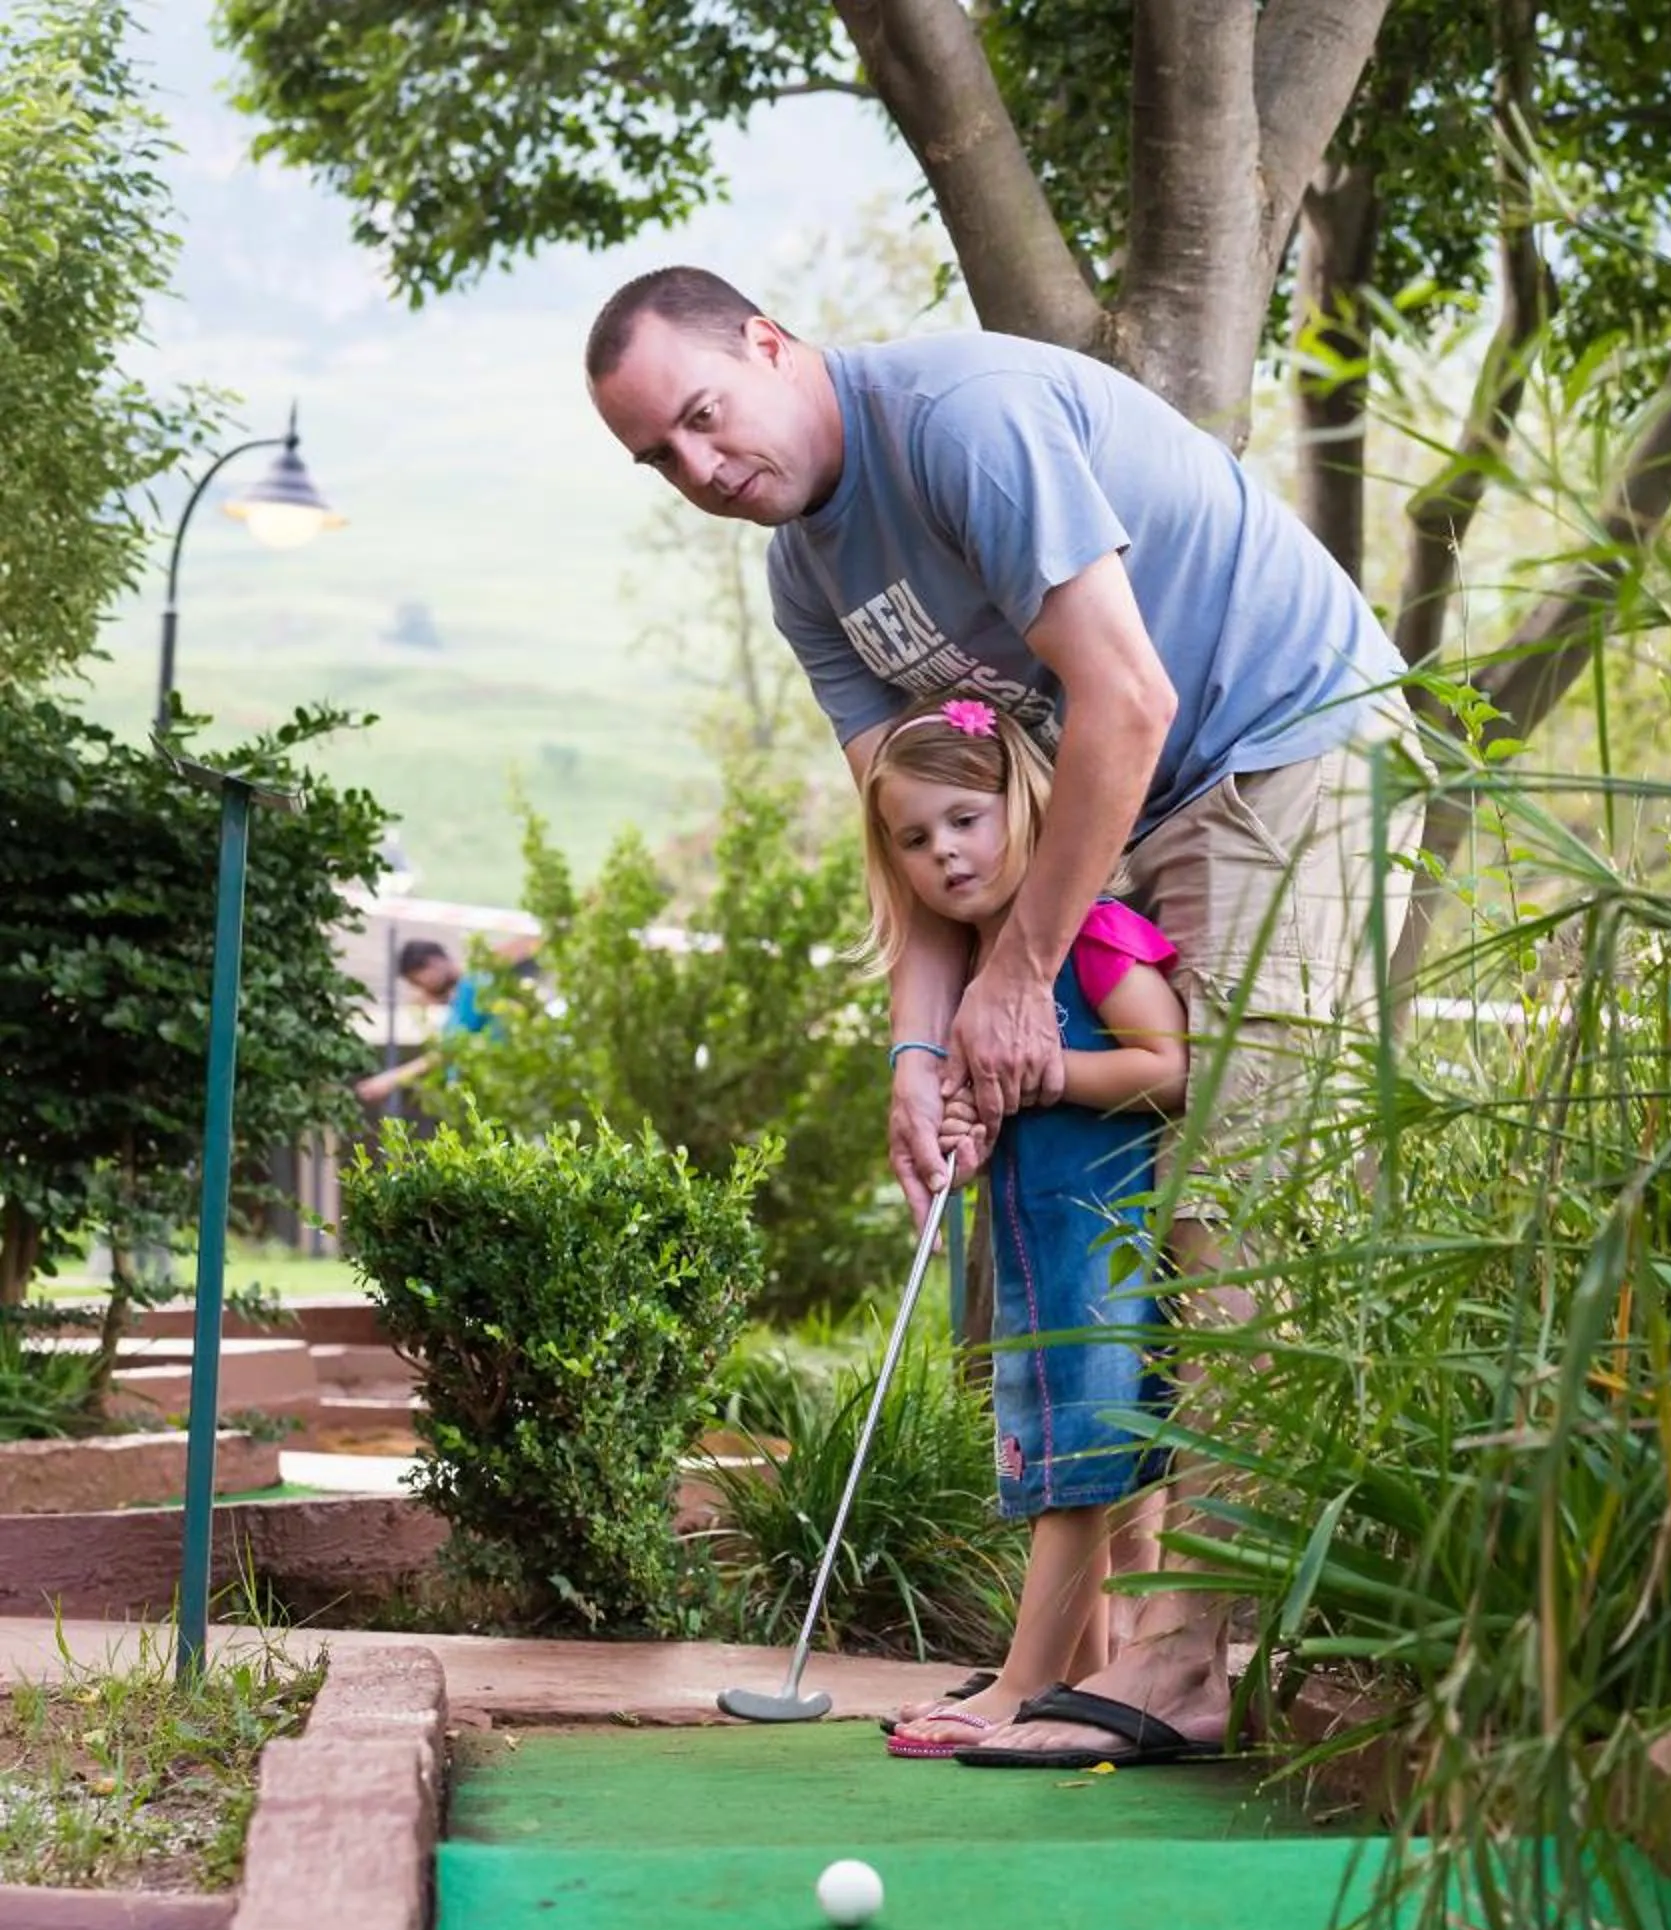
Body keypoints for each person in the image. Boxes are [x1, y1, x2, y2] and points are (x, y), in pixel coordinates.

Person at [585, 265, 1423, 1765]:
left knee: (1241, 1194)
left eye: (705, 418)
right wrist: (920, 1048)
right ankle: (1088, 1651)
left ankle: (1193, 1660)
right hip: (1108, 822)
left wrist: (1023, 978)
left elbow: (1130, 700)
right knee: (1087, 1222)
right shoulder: (804, 576)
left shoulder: (958, 419)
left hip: (1281, 748)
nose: (702, 471)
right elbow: (912, 845)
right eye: (661, 459)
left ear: (771, 344)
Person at [852, 698, 1193, 1764]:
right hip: (1036, 1244)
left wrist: (1048, 1079)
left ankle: (1027, 1677)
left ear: (1023, 804)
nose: (944, 852)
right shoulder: (975, 966)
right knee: (1052, 1442)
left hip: (1102, 1242)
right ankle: (1083, 1667)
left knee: (1079, 1457)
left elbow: (1167, 1065)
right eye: (914, 838)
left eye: (964, 818)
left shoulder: (1085, 933)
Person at [354, 935, 539, 1107]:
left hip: (494, 1096)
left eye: (418, 981)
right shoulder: (461, 998)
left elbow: (450, 1050)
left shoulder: (472, 986)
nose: (422, 989)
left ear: (433, 963)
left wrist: (392, 1079)